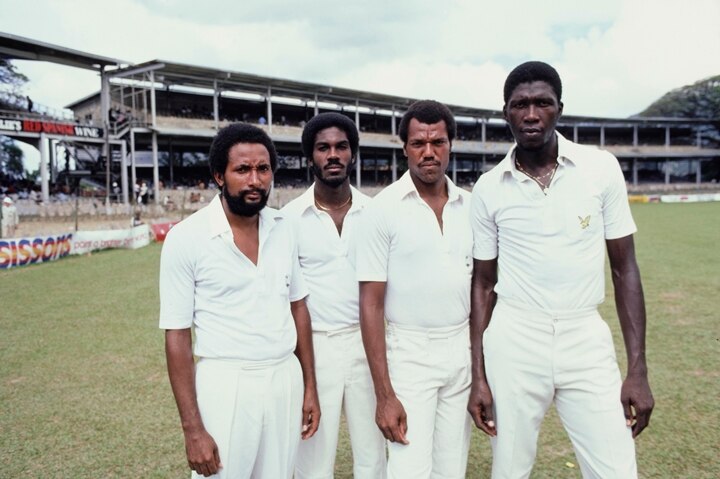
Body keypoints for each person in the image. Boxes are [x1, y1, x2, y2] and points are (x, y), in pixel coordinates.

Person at [468, 61, 654, 479]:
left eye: (542, 103)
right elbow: (482, 284)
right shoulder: (488, 187)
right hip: (515, 338)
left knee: (616, 470)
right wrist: (479, 375)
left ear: (560, 109)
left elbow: (625, 270)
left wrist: (638, 370)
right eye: (520, 105)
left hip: (584, 335)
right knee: (510, 468)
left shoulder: (600, 169)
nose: (531, 114)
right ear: (506, 113)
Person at [159, 123, 320, 478]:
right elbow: (177, 336)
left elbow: (299, 307)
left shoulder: (284, 228)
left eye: (263, 169)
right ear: (219, 175)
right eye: (242, 169)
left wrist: (309, 386)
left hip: (284, 380)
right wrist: (193, 429)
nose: (255, 180)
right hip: (225, 383)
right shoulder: (186, 238)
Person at [357, 100, 473, 479]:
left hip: (461, 350)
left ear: (450, 144)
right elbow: (371, 304)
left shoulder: (470, 206)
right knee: (409, 468)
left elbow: (485, 289)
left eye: (437, 142)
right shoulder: (383, 208)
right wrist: (385, 394)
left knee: (451, 469)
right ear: (404, 147)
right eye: (418, 143)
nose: (428, 152)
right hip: (410, 353)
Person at [282, 113, 386, 479]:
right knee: (312, 460)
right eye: (323, 148)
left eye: (341, 146)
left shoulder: (377, 213)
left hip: (367, 344)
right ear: (310, 156)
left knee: (373, 456)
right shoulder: (288, 219)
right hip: (315, 349)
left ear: (353, 154)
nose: (333, 155)